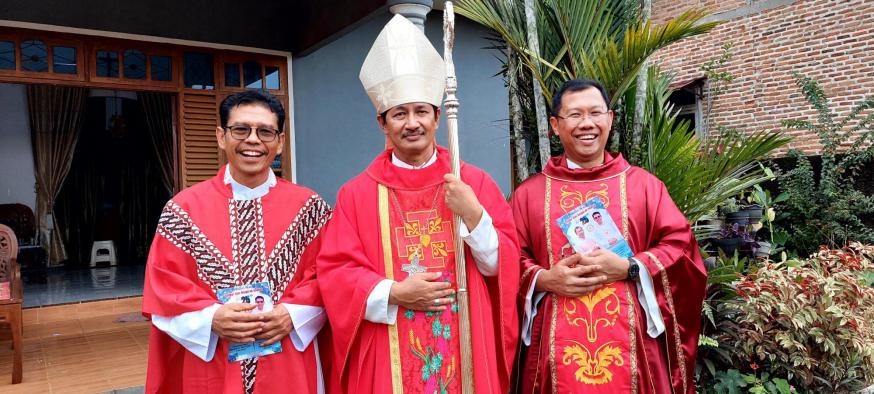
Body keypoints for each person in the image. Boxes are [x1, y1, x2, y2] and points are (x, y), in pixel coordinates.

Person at [316, 14, 520, 394]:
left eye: (421, 111)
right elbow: (336, 273)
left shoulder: (472, 182)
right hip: (389, 342)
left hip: (465, 338)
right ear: (382, 123)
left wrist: (474, 215)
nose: (412, 123)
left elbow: (502, 269)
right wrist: (394, 292)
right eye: (399, 113)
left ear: (437, 117)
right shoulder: (357, 194)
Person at [511, 79, 706, 393]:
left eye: (595, 113)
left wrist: (631, 268)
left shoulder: (644, 187)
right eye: (574, 115)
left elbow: (681, 247)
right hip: (553, 357)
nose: (586, 123)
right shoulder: (528, 195)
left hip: (634, 350)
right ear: (555, 126)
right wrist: (545, 279)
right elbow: (508, 259)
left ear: (610, 119)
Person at [142, 90, 331, 394]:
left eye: (265, 131)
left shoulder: (310, 208)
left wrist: (293, 315)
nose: (253, 140)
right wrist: (211, 318)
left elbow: (331, 276)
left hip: (287, 360)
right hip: (212, 362)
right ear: (221, 136)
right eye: (241, 129)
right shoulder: (182, 211)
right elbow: (163, 287)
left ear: (280, 141)